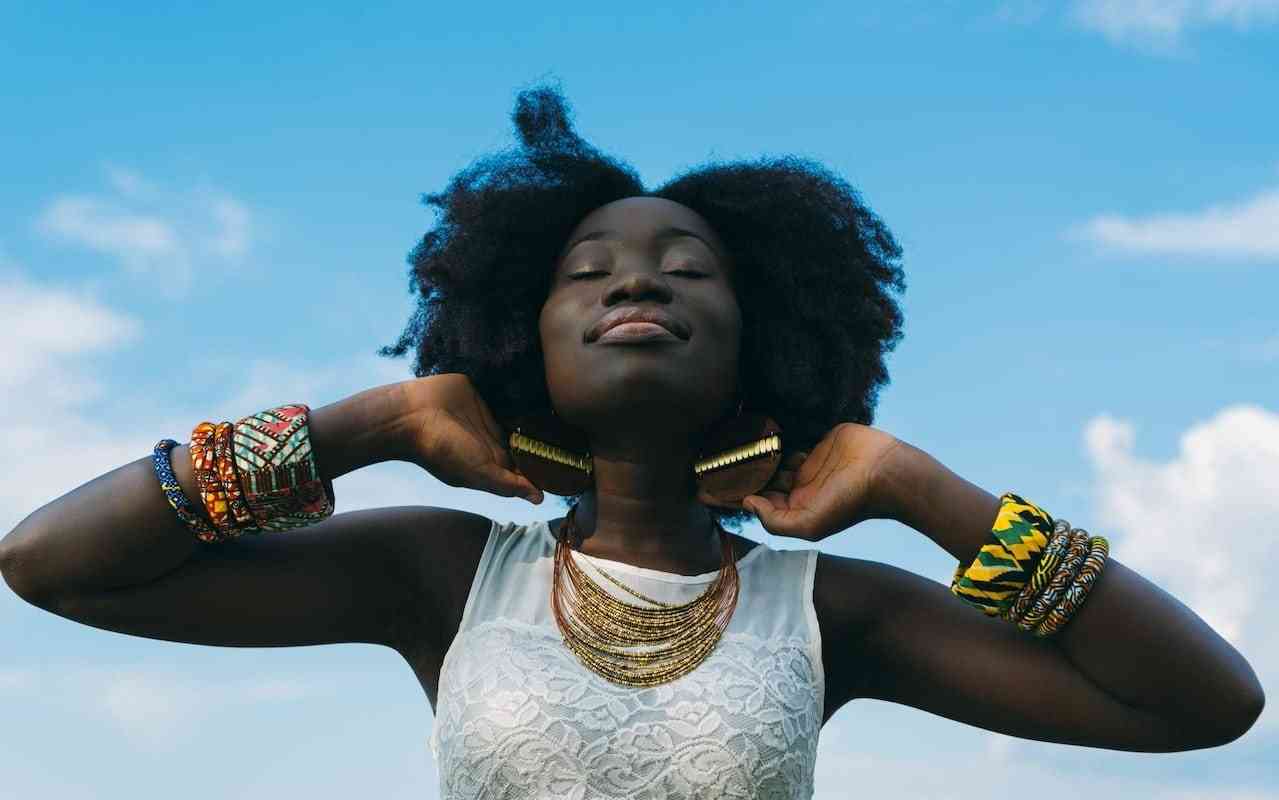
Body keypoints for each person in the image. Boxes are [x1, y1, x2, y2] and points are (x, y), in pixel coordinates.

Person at [0, 83, 1264, 799]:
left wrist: (924, 491)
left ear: (759, 338)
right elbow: (53, 561)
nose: (632, 285)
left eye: (687, 267)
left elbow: (1204, 704)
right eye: (586, 270)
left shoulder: (829, 611)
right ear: (519, 337)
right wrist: (367, 423)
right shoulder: (446, 576)